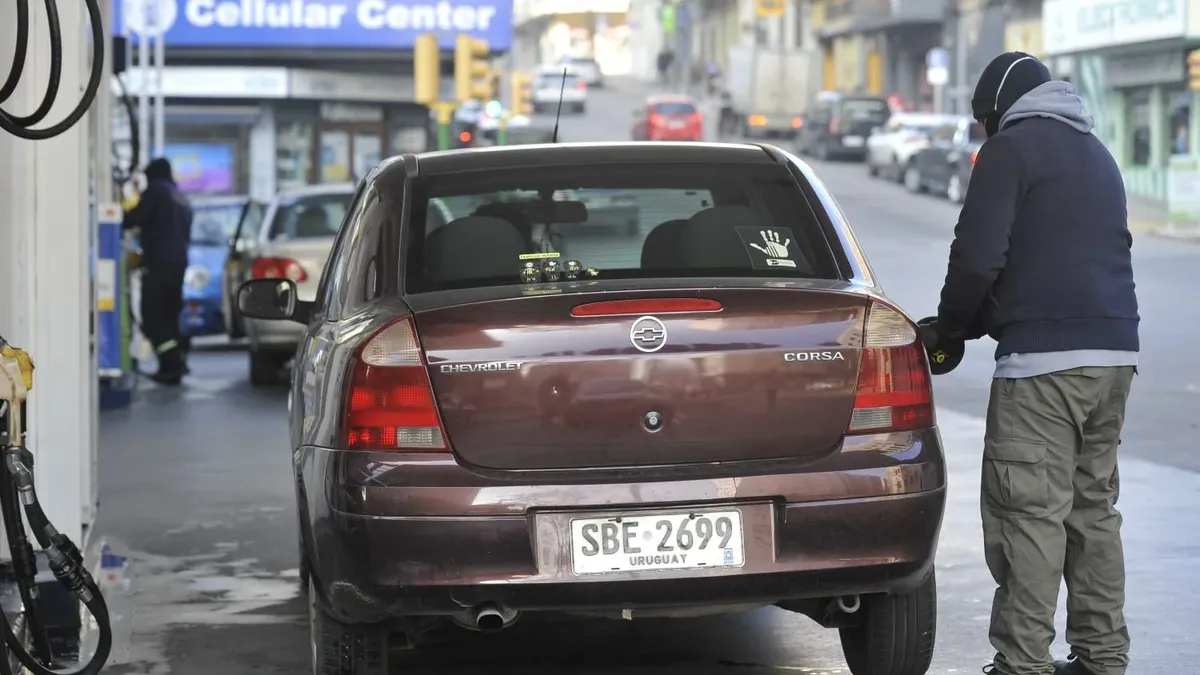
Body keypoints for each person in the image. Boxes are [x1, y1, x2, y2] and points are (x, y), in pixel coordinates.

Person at [928, 52, 1139, 675]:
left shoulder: (1011, 149)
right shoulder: (1097, 155)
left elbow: (976, 259)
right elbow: (1056, 264)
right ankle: (1102, 658)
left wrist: (951, 329)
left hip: (1043, 369)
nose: (985, 135)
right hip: (1114, 359)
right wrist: (976, 321)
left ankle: (1021, 665)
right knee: (1092, 511)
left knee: (1029, 516)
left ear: (999, 110)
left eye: (983, 122)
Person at [123, 157, 194, 385]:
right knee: (170, 315)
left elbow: (135, 218)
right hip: (178, 265)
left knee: (153, 316)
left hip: (158, 264)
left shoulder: (157, 191)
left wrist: (115, 214)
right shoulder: (179, 196)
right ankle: (175, 362)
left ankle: (171, 362)